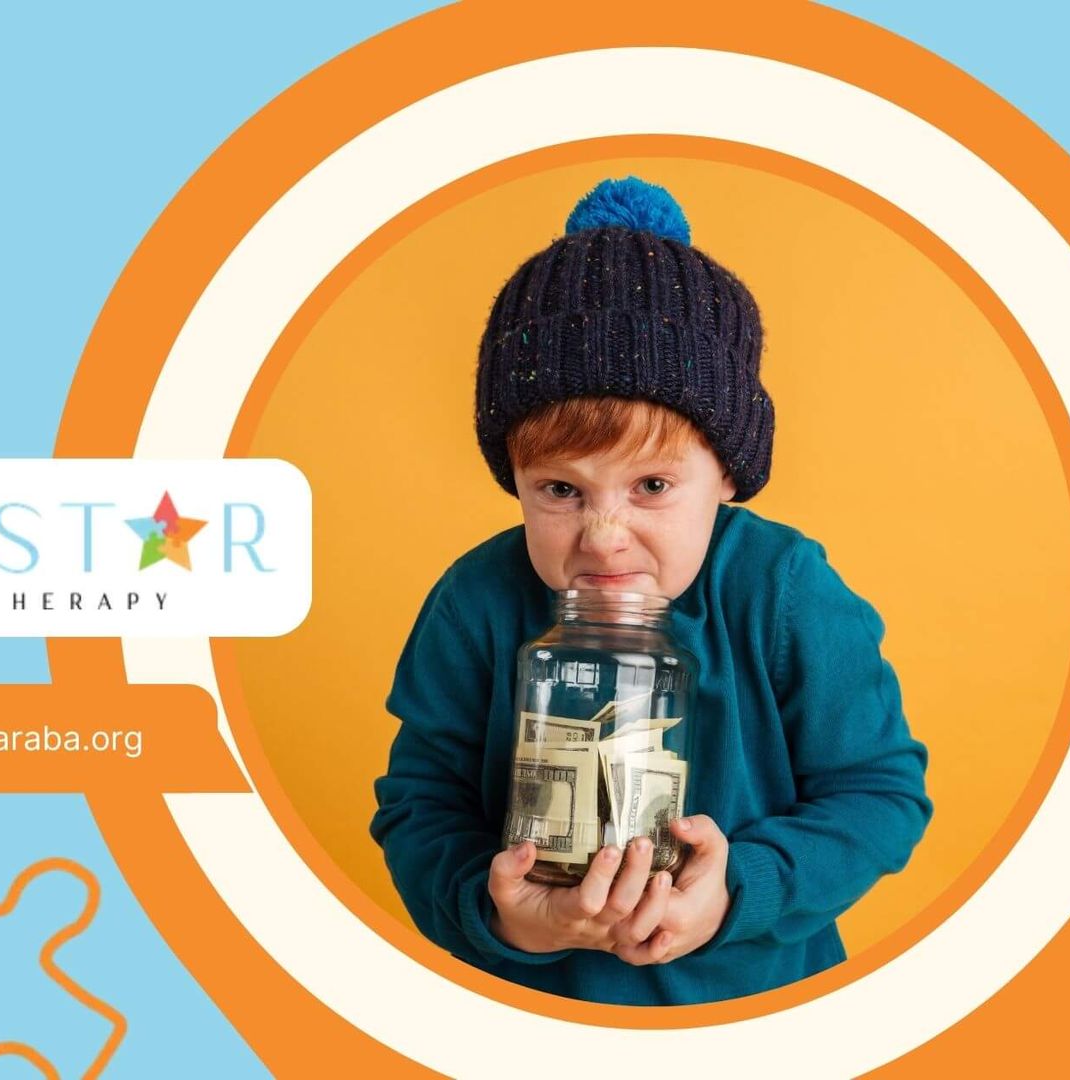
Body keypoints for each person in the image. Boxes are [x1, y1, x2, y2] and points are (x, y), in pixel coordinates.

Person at [367, 177, 934, 1005]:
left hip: (759, 1002)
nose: (602, 534)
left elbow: (879, 795)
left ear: (729, 476)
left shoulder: (782, 590)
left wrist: (742, 887)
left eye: (653, 487)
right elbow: (420, 803)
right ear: (516, 481)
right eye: (560, 491)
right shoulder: (476, 602)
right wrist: (501, 915)